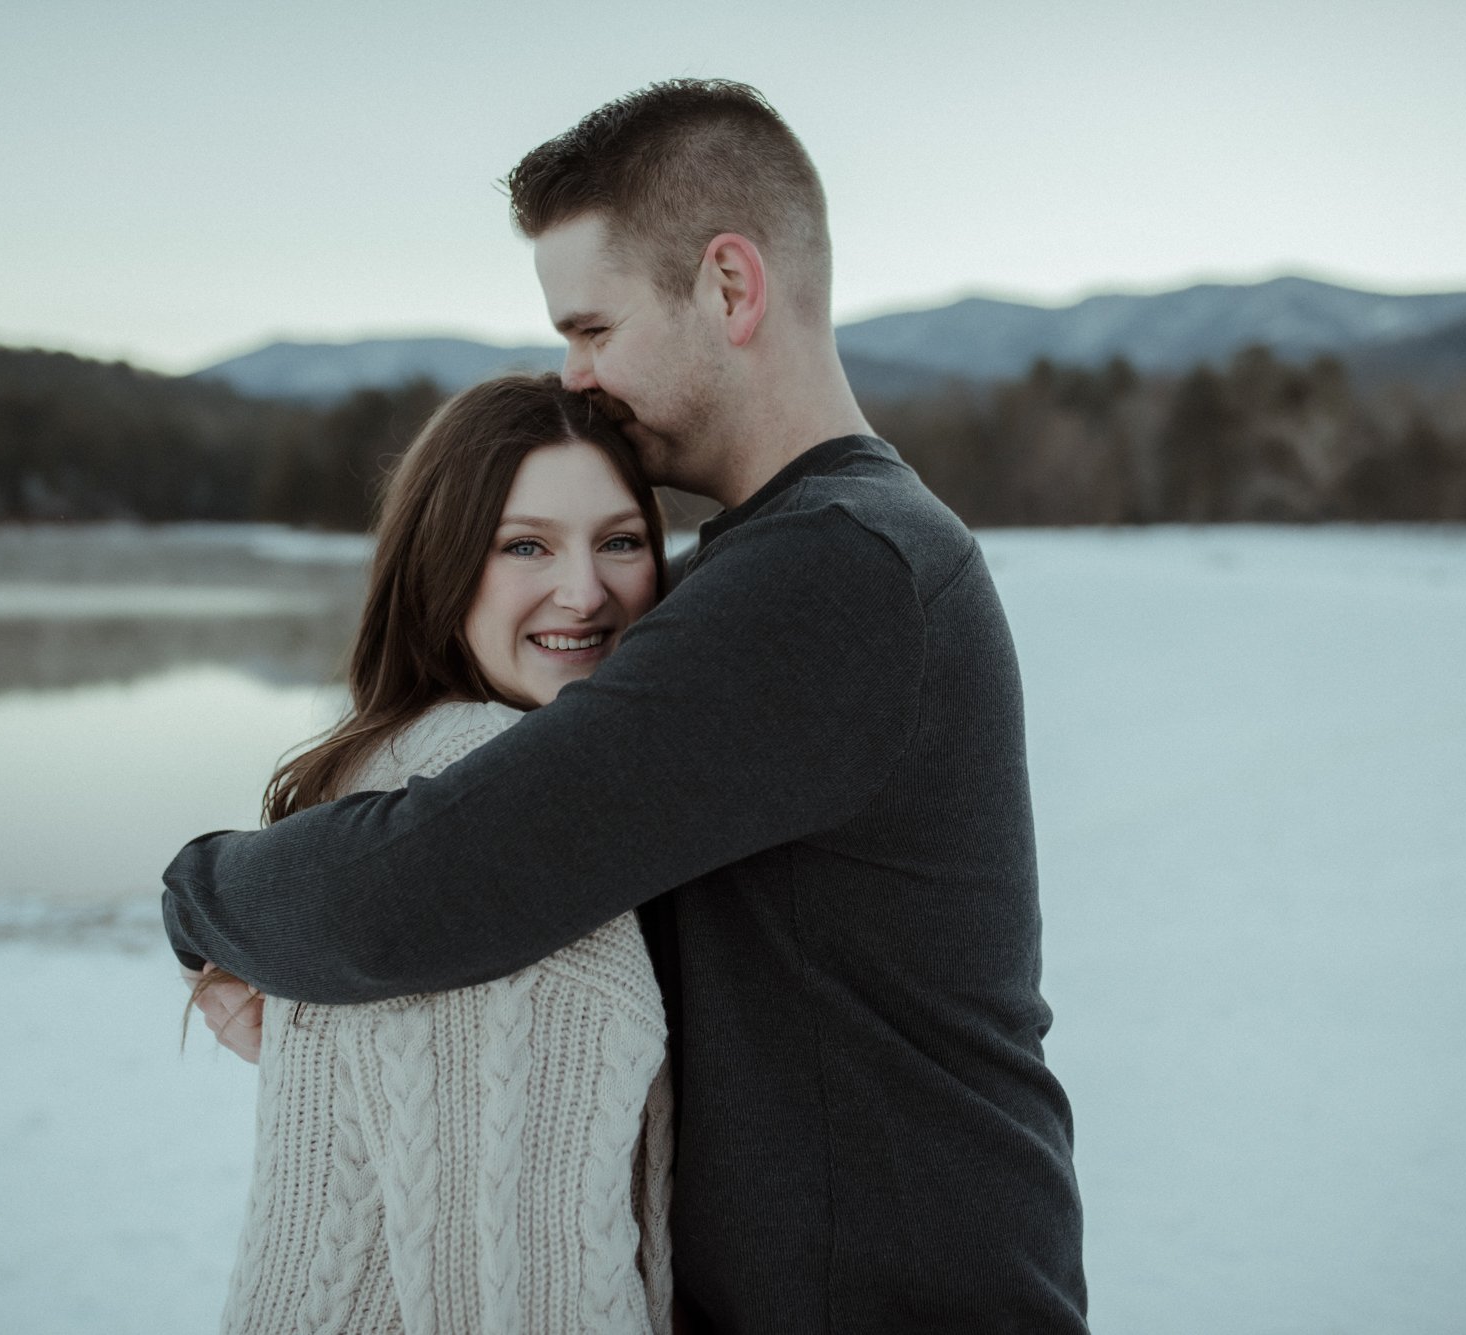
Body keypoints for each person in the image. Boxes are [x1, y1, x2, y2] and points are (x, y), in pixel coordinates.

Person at [170, 78, 1088, 1333]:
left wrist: (198, 891)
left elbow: (434, 881)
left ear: (727, 286)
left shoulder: (832, 578)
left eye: (592, 329)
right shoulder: (792, 563)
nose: (576, 376)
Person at [200, 374, 676, 1334]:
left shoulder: (378, 768)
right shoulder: (501, 811)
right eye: (525, 545)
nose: (585, 591)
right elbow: (520, 1293)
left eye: (620, 541)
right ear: (444, 563)